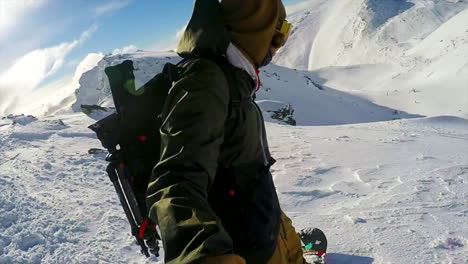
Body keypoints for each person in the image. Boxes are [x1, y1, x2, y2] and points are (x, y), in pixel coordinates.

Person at [146, 0, 304, 263]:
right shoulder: (205, 80)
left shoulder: (234, 77)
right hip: (243, 251)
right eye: (277, 34)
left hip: (265, 229)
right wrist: (203, 254)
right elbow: (176, 180)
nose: (278, 46)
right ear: (252, 28)